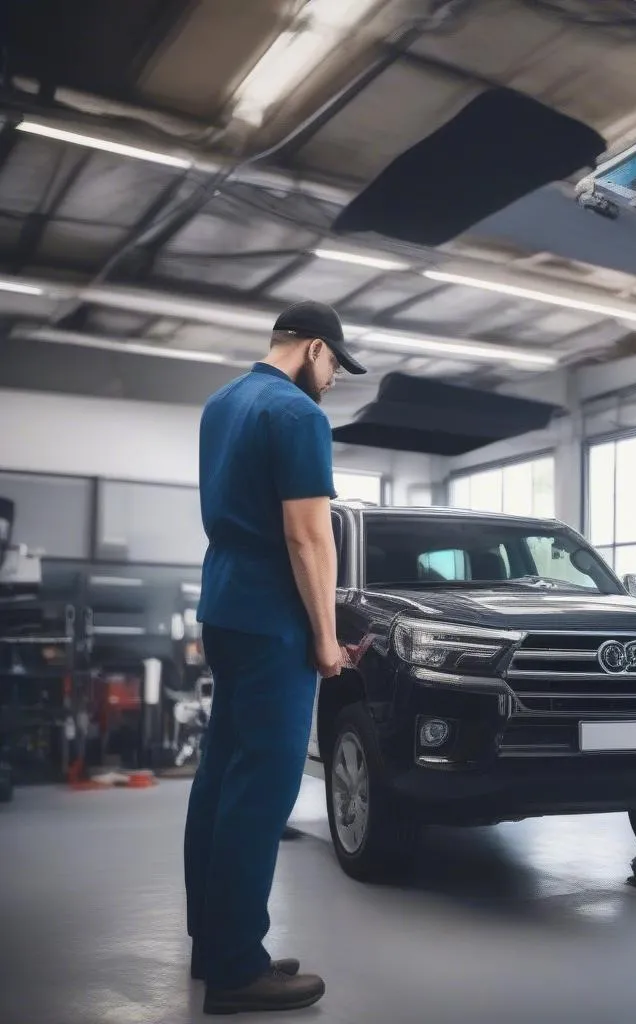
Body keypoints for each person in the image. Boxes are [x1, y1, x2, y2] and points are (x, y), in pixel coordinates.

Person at [184, 300, 366, 1015]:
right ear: (314, 349)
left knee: (221, 778)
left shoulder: (223, 403)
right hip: (272, 617)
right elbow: (308, 539)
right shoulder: (296, 415)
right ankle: (236, 970)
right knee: (263, 790)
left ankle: (215, 942)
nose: (333, 381)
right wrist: (325, 638)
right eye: (335, 367)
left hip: (226, 605)